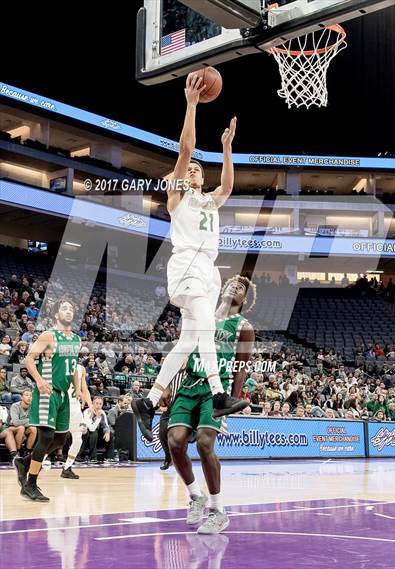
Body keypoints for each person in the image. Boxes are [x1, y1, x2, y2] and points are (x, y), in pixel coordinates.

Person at [133, 74, 244, 441]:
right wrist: (192, 105)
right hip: (185, 265)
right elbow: (185, 150)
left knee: (190, 340)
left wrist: (227, 147)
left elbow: (227, 186)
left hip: (207, 270)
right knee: (207, 330)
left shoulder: (209, 199)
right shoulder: (176, 196)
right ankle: (218, 394)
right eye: (190, 169)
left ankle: (148, 401)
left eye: (198, 168)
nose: (193, 169)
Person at [167, 275, 255, 534]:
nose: (235, 287)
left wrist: (231, 402)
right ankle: (196, 495)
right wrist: (167, 384)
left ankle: (218, 511)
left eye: (241, 288)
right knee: (175, 441)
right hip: (190, 382)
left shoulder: (243, 326)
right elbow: (183, 350)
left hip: (218, 388)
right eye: (232, 284)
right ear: (221, 289)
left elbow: (240, 368)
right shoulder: (201, 315)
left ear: (244, 300)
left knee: (205, 442)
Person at [14, 299, 82, 502]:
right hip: (47, 391)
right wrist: (39, 380)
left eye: (71, 308)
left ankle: (25, 463)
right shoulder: (49, 335)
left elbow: (73, 366)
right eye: (64, 308)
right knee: (45, 437)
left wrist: (77, 388)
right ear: (56, 315)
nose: (68, 311)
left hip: (63, 394)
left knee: (61, 439)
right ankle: (30, 484)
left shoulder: (76, 340)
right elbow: (29, 359)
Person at [61, 363, 92, 479]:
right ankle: (34, 463)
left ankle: (67, 468)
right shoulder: (62, 363)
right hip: (63, 406)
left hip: (75, 408)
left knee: (78, 439)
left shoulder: (81, 368)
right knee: (54, 439)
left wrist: (90, 405)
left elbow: (85, 389)